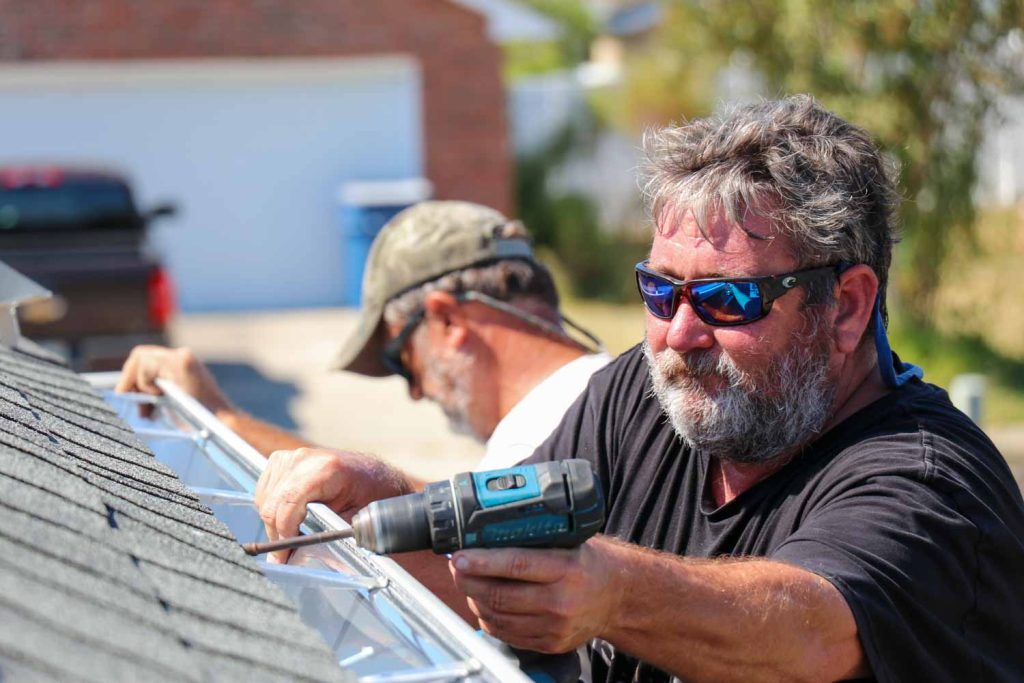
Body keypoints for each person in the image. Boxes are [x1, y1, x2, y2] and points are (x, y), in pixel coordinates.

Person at [255, 96, 1024, 681]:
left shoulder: (929, 481)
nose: (680, 335)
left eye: (729, 299)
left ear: (847, 307)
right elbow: (496, 571)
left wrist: (613, 594)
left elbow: (812, 627)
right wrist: (380, 503)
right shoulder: (644, 393)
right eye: (661, 292)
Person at [116, 200, 611, 470]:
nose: (416, 393)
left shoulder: (551, 430)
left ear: (447, 321)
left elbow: (451, 558)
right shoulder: (613, 397)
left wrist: (223, 419)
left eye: (401, 359)